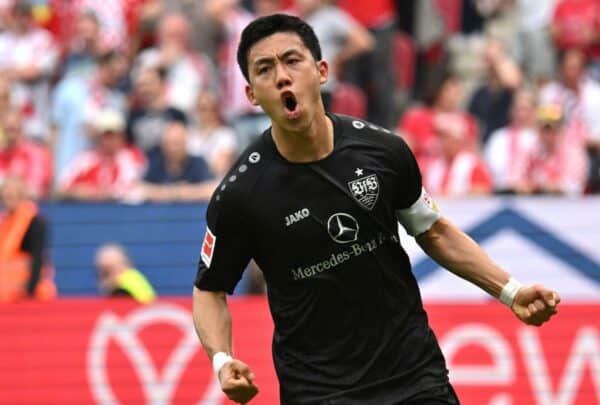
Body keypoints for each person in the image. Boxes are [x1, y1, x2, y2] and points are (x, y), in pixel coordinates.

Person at [192, 14, 561, 405]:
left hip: (414, 378)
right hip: (318, 392)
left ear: (321, 71)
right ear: (251, 94)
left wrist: (510, 291)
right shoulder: (241, 193)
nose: (282, 76)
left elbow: (433, 231)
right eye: (265, 69)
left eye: (292, 60)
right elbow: (209, 289)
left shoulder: (383, 152)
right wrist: (221, 358)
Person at [0, 175, 56, 302]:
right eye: (6, 196)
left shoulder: (35, 222)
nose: (9, 200)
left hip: (31, 295)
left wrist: (30, 292)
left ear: (22, 196)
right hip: (7, 296)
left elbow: (37, 258)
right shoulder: (3, 222)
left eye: (13, 196)